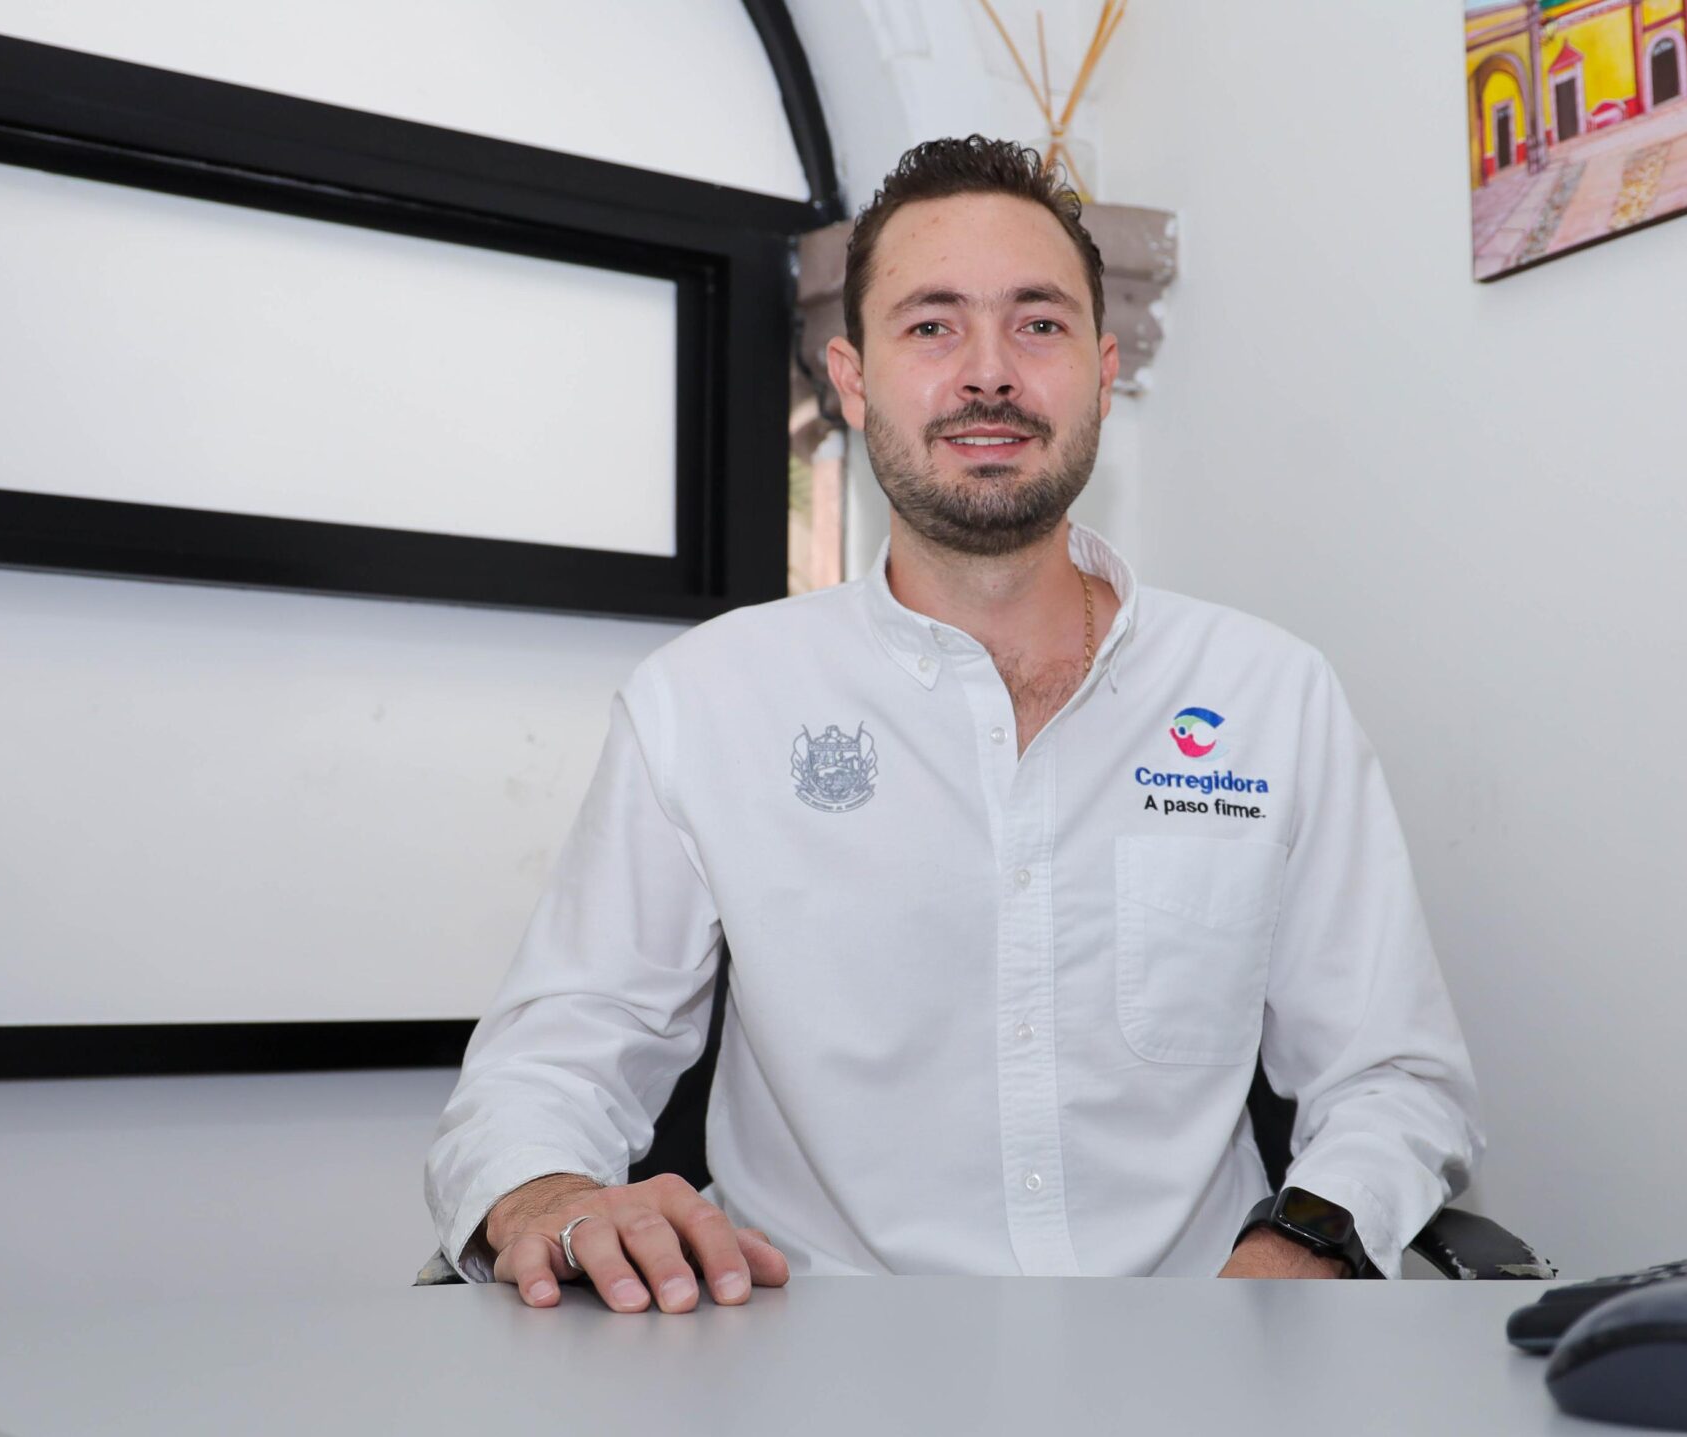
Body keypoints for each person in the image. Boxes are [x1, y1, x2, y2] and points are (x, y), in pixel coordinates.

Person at [425, 136, 1480, 1314]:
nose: (989, 373)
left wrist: (1286, 1261)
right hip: (813, 1354)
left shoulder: (1270, 695)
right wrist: (543, 1193)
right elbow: (558, 1052)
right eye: (931, 326)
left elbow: (1393, 1076)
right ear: (852, 379)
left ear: (1101, 369)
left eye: (1038, 324)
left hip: (1193, 1344)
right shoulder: (704, 701)